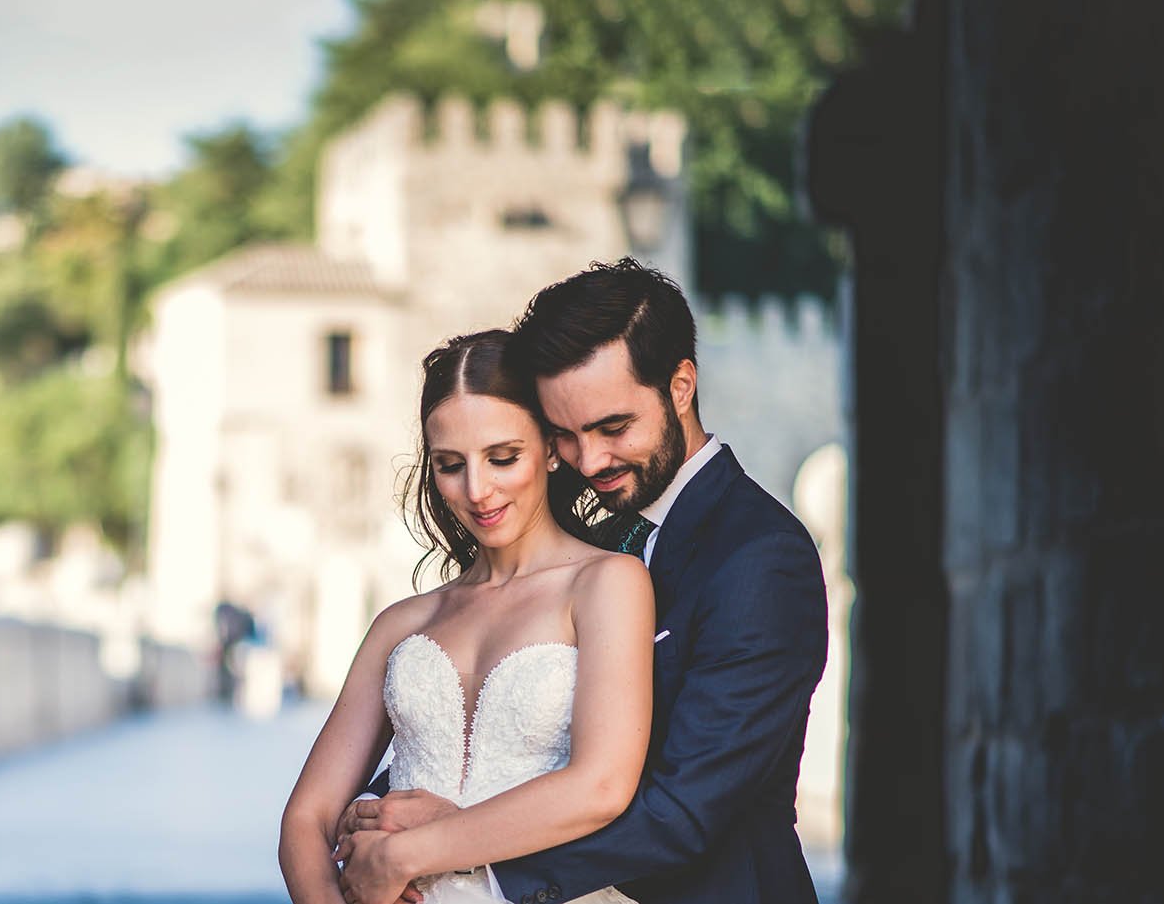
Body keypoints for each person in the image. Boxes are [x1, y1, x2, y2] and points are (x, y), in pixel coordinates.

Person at [337, 259, 829, 904]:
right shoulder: (594, 541)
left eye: (613, 427)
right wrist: (384, 806)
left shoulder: (761, 557)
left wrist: (453, 851)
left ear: (681, 386)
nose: (589, 460)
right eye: (565, 435)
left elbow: (682, 811)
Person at [279, 329, 656, 904]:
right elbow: (305, 820)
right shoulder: (402, 624)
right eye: (451, 465)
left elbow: (600, 786)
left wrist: (402, 855)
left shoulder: (608, 583)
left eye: (503, 458)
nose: (478, 490)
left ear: (552, 449)